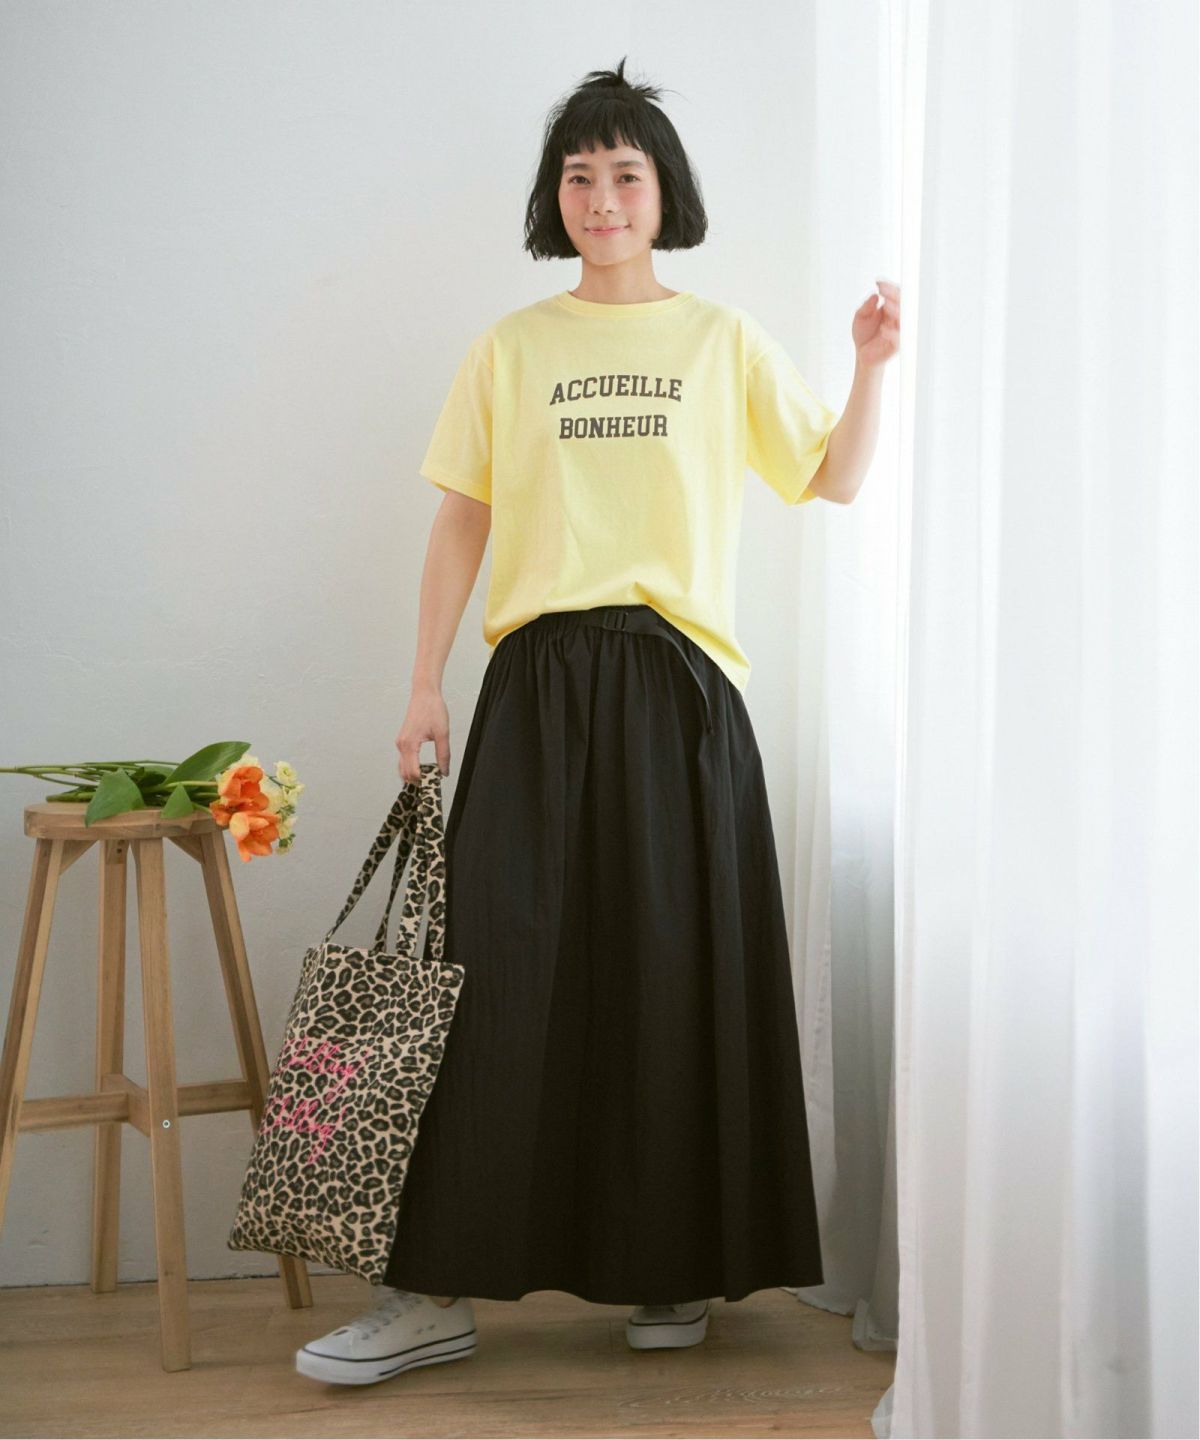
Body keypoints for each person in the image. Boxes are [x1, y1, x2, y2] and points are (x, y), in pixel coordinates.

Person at [296, 55, 898, 1388]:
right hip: (537, 686)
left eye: (626, 173)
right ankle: (430, 1290)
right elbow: (462, 518)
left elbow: (834, 479)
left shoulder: (722, 341)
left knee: (668, 975)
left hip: (679, 693)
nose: (602, 196)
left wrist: (868, 369)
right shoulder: (512, 349)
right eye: (579, 175)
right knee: (488, 980)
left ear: (664, 191)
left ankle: (668, 1265)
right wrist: (422, 681)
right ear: (554, 196)